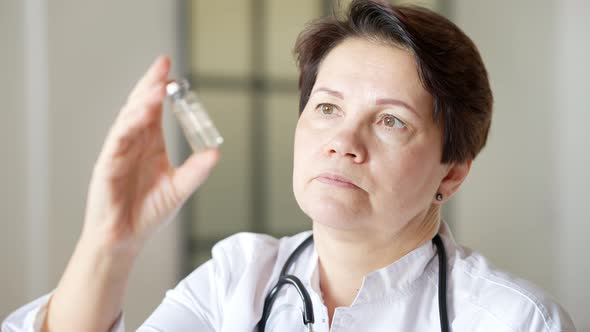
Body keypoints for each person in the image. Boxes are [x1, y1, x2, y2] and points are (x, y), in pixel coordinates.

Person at [2, 1, 576, 331]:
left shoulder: (514, 320)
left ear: (452, 173)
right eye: (327, 108)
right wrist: (111, 243)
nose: (343, 142)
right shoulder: (238, 279)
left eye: (391, 120)